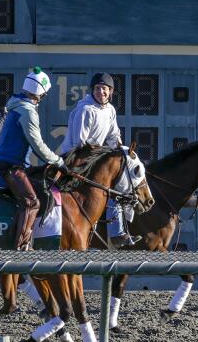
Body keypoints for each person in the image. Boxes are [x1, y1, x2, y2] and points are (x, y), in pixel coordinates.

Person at [59, 73, 139, 246]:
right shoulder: (85, 109)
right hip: (75, 158)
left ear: (110, 92)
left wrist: (118, 146)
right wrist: (105, 153)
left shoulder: (110, 110)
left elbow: (113, 135)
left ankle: (118, 233)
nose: (101, 92)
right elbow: (80, 143)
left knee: (118, 185)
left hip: (93, 157)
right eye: (97, 88)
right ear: (92, 91)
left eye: (104, 88)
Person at [0, 67, 66, 251]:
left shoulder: (15, 104)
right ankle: (22, 247)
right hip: (12, 166)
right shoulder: (28, 112)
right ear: (41, 92)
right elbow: (37, 145)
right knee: (32, 202)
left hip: (7, 163)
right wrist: (58, 161)